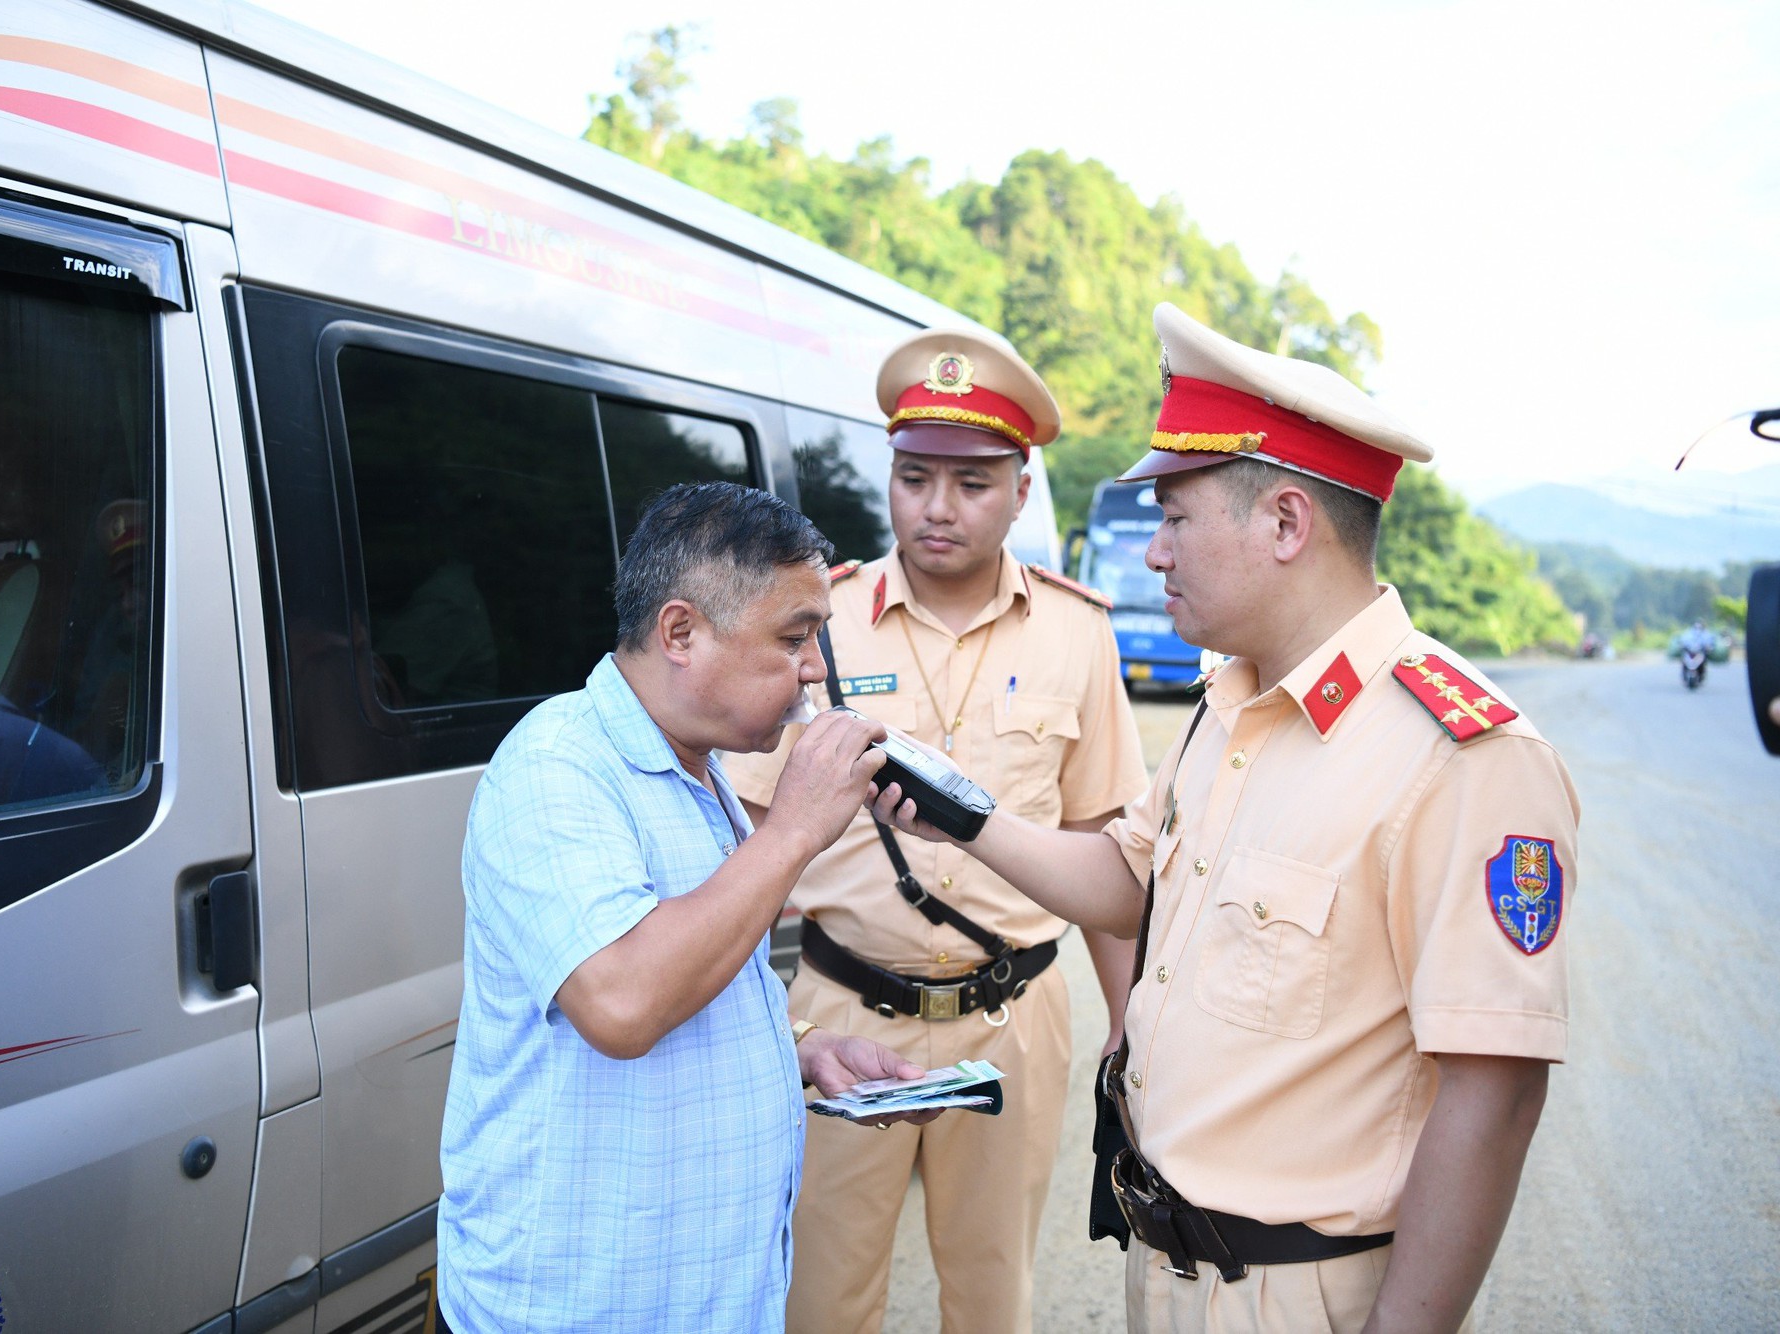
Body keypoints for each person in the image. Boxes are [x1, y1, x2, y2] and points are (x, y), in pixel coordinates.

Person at [871, 303, 1580, 1333]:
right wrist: (964, 817)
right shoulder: (1231, 700)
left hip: (1302, 1294)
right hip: (1166, 1271)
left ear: (1284, 522)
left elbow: (1496, 1090)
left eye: (1174, 517)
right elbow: (1127, 882)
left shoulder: (1462, 756)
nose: (1151, 553)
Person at [435, 481, 939, 1333]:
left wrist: (806, 1049)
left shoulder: (699, 770)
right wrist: (794, 832)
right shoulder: (556, 767)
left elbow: (701, 958)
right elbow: (624, 1002)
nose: (816, 667)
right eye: (794, 637)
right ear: (680, 632)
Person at [726, 325, 1149, 1334]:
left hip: (1013, 1019)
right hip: (838, 1010)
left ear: (1018, 486)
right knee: (820, 1298)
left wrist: (1135, 1027)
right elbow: (739, 840)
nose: (937, 507)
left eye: (969, 482)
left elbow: (1103, 849)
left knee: (991, 1295)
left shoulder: (1076, 631)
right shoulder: (815, 620)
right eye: (914, 477)